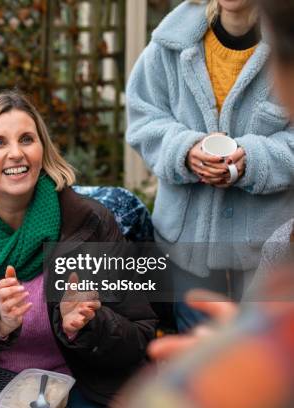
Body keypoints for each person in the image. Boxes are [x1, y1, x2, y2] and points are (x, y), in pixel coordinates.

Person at [0, 92, 157, 407]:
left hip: (78, 387)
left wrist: (88, 325)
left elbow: (140, 333)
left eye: (26, 139)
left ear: (42, 151)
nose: (16, 153)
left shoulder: (87, 222)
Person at [117, 1, 294, 406]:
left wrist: (253, 159)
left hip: (267, 248)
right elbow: (144, 118)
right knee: (201, 355)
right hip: (187, 245)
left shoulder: (286, 41)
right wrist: (183, 149)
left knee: (263, 375)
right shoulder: (169, 43)